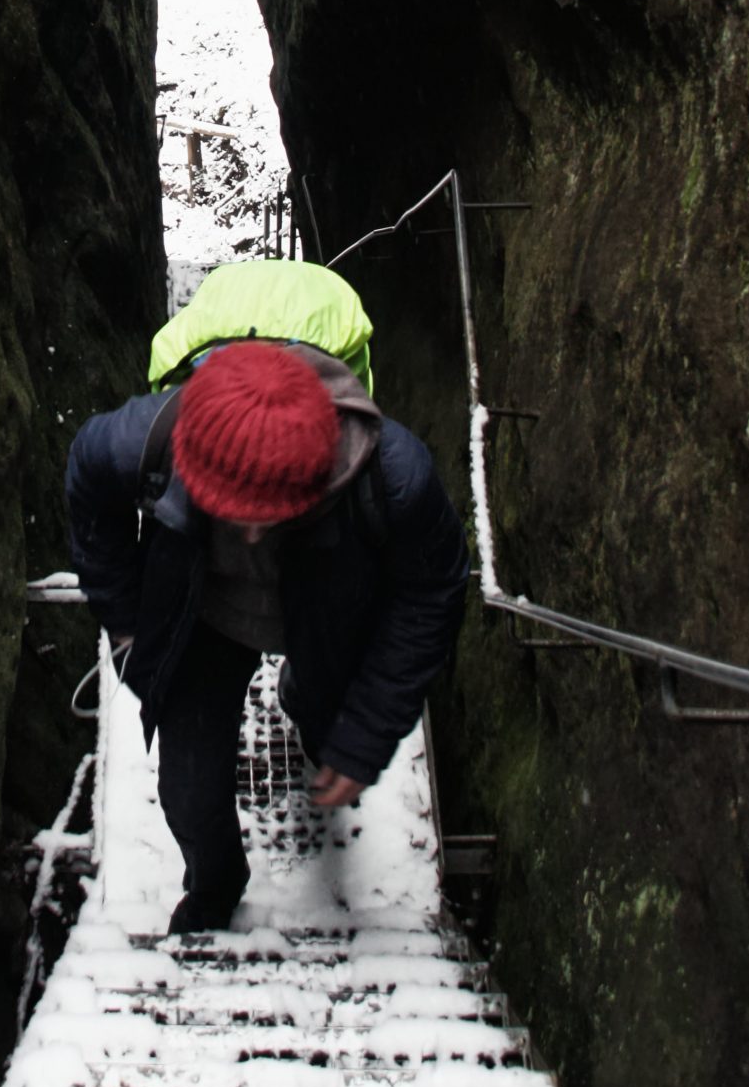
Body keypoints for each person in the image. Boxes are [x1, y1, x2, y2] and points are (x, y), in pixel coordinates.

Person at [65, 258, 470, 934]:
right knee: (189, 790)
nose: (250, 531)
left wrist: (363, 736)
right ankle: (215, 887)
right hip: (203, 614)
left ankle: (306, 707)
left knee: (327, 722)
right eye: (232, 508)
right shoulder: (146, 437)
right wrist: (130, 627)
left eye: (271, 510)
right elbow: (86, 484)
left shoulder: (393, 476)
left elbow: (431, 594)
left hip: (323, 610)